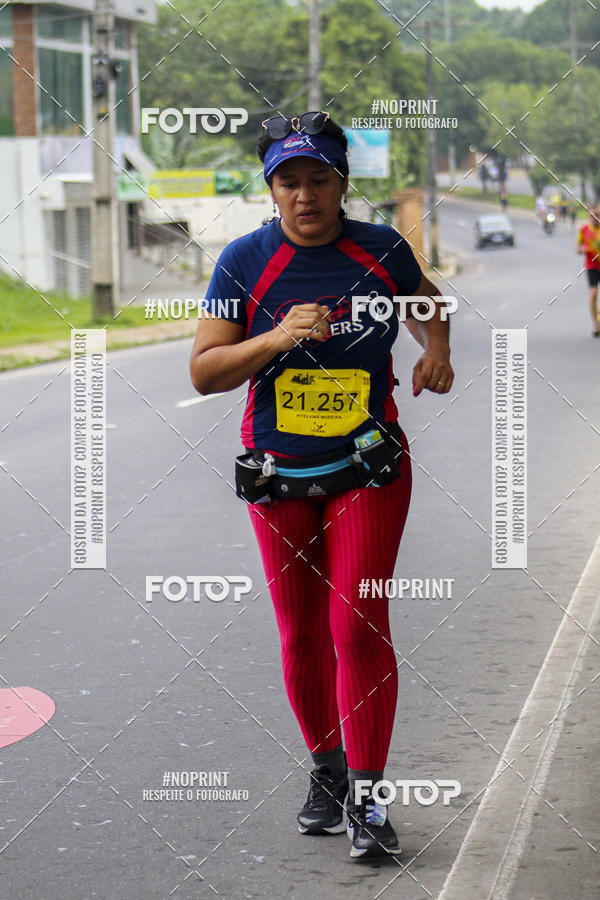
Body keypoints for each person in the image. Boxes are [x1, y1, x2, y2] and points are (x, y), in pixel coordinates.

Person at [189, 112, 454, 860]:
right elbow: (204, 372)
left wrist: (436, 349)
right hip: (278, 472)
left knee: (357, 626)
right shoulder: (245, 261)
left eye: (319, 180)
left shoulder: (381, 249)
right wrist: (276, 337)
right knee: (302, 634)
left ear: (343, 183)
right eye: (289, 182)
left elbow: (427, 299)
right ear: (271, 188)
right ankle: (327, 772)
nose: (305, 195)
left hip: (367, 465)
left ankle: (370, 800)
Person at [576, 206, 600, 336]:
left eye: (597, 215)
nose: (595, 218)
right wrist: (579, 250)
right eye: (592, 216)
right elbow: (578, 245)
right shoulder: (583, 230)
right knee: (593, 293)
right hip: (592, 266)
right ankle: (595, 324)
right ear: (588, 217)